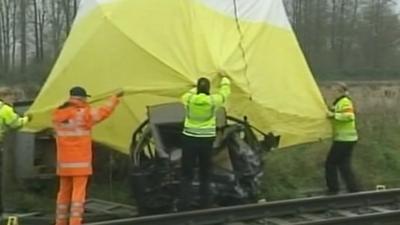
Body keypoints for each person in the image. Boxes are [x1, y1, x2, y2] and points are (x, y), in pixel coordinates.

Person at [52, 86, 123, 225]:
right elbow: (103, 112)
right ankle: (75, 222)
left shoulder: (58, 113)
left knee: (63, 193)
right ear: (82, 98)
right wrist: (115, 98)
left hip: (64, 162)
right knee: (78, 195)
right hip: (80, 162)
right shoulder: (83, 114)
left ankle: (60, 222)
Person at [179, 76, 231, 210]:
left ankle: (184, 205)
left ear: (197, 89)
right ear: (208, 89)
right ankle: (205, 204)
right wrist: (224, 79)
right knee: (205, 172)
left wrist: (195, 87)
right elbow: (224, 93)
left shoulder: (189, 99)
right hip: (206, 140)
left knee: (187, 173)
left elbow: (187, 93)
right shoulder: (213, 101)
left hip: (189, 139)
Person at [0, 88, 31, 218]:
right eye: (12, 97)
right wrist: (28, 118)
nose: (14, 100)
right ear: (5, 96)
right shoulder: (5, 109)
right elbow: (15, 123)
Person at [325, 82, 359, 195]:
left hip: (344, 139)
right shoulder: (339, 102)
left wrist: (333, 115)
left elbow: (349, 116)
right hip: (347, 139)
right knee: (344, 165)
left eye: (334, 90)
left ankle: (333, 189)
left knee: (330, 163)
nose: (332, 92)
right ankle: (354, 189)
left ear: (340, 91)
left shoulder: (345, 102)